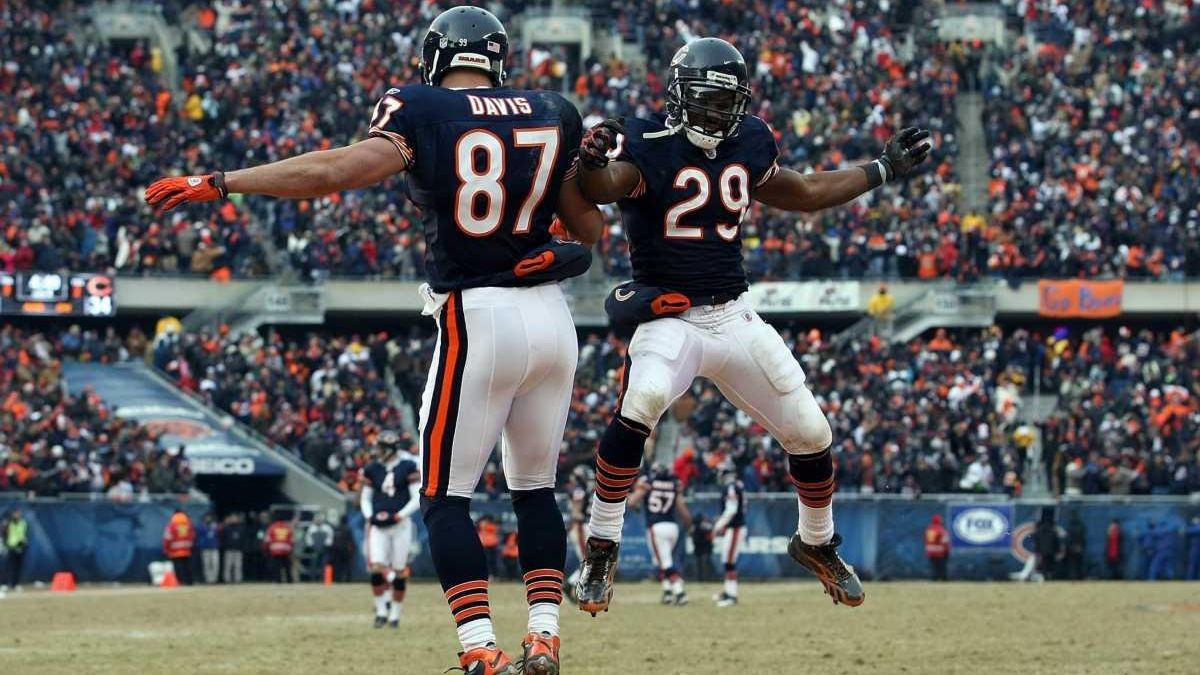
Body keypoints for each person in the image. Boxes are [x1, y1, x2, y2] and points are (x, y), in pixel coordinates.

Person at [145, 6, 604, 672]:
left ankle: (480, 647)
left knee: (447, 496)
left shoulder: (418, 106)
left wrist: (224, 182)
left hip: (479, 313)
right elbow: (587, 230)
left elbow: (338, 170)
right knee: (535, 489)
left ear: (435, 58)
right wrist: (578, 216)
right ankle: (543, 633)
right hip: (555, 322)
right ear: (498, 58)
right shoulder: (552, 108)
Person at [573, 37, 930, 613]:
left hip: (734, 313)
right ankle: (601, 545)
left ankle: (816, 542)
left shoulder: (750, 139)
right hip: (673, 315)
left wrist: (882, 168)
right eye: (709, 98)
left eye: (728, 99)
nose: (719, 111)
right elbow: (599, 188)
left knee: (812, 431)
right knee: (644, 396)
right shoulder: (648, 142)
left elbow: (806, 191)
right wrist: (590, 162)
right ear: (681, 94)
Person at [361, 431, 421, 627]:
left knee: (399, 570)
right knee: (376, 568)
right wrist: (370, 516)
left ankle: (395, 614)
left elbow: (416, 497)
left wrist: (399, 515)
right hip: (378, 526)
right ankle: (380, 611)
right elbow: (365, 498)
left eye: (381, 448)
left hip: (400, 525)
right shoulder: (372, 469)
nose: (378, 451)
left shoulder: (408, 467)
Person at [628, 463, 692, 606]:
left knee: (665, 562)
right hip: (672, 526)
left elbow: (631, 502)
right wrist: (689, 525)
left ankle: (679, 592)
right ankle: (668, 592)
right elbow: (683, 510)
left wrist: (638, 494)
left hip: (656, 526)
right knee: (661, 561)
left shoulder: (648, 483)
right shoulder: (674, 485)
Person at [711, 463, 746, 606]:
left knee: (729, 562)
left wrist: (718, 526)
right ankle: (728, 592)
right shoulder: (737, 485)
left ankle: (732, 595)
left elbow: (731, 510)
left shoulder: (731, 487)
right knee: (727, 560)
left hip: (735, 527)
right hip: (734, 527)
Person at [564, 466, 594, 599]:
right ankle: (573, 585)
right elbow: (576, 512)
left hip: (582, 527)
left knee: (590, 562)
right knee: (588, 562)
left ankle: (573, 585)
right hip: (580, 527)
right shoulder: (578, 490)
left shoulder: (580, 490)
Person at [162, 509, 196, 586]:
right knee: (187, 566)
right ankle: (190, 581)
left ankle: (180, 581)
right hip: (187, 549)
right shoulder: (189, 524)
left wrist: (166, 549)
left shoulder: (171, 525)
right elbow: (193, 536)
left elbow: (167, 538)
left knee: (178, 567)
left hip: (175, 550)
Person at [2, 509, 29, 590]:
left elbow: (25, 534)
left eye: (18, 514)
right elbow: (4, 534)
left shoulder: (23, 523)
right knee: (8, 567)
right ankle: (5, 584)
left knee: (18, 567)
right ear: (12, 514)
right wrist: (6, 544)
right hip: (11, 547)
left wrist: (23, 544)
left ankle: (16, 584)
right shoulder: (8, 523)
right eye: (15, 513)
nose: (17, 515)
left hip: (20, 547)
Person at [264, 515, 295, 583]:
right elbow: (292, 540)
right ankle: (289, 580)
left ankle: (278, 580)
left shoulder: (272, 527)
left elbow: (267, 540)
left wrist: (266, 549)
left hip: (275, 550)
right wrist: (291, 548)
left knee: (277, 567)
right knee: (287, 567)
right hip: (286, 550)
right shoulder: (287, 527)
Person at [306, 512, 335, 582]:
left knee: (324, 565)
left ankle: (323, 579)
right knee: (313, 565)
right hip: (315, 549)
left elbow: (330, 537)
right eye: (316, 519)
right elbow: (308, 538)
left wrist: (326, 545)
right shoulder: (311, 528)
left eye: (319, 519)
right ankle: (313, 580)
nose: (317, 521)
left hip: (325, 549)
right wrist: (312, 546)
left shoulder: (327, 528)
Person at [924, 514, 950, 581]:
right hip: (940, 551)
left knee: (934, 566)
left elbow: (925, 540)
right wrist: (947, 550)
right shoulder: (941, 530)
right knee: (942, 566)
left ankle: (934, 578)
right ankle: (944, 579)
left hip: (930, 551)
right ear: (939, 521)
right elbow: (945, 541)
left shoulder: (928, 529)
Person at [221, 513, 245, 584]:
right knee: (228, 566)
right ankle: (227, 580)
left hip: (238, 549)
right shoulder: (226, 528)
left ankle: (238, 580)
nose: (233, 519)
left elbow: (243, 539)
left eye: (235, 518)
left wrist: (242, 547)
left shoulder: (241, 528)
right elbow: (222, 537)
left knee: (238, 566)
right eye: (232, 518)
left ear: (237, 519)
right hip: (228, 549)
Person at [691, 514, 715, 582]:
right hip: (698, 548)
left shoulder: (706, 526)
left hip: (705, 548)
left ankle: (705, 579)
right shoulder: (694, 527)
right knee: (698, 564)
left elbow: (710, 531)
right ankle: (699, 579)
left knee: (704, 564)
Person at [197, 513, 220, 584]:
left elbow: (219, 534)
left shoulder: (215, 526)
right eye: (207, 518)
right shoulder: (201, 526)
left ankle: (214, 579)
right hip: (205, 548)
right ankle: (208, 580)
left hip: (214, 547)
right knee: (207, 564)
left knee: (215, 564)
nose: (208, 519)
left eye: (209, 517)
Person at [478, 515, 502, 580]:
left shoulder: (493, 525)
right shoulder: (483, 524)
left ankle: (495, 575)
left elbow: (497, 529)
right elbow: (482, 526)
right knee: (487, 561)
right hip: (485, 545)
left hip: (493, 545)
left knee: (494, 561)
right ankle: (489, 575)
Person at [1063, 512, 1086, 580]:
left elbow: (1068, 539)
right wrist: (1082, 547)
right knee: (1079, 564)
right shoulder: (1081, 526)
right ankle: (1080, 577)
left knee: (1072, 565)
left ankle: (1073, 577)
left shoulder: (1069, 527)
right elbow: (1083, 538)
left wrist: (1068, 548)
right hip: (1080, 547)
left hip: (1071, 548)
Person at [1185, 516, 1200, 581]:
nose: (1195, 520)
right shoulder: (1191, 527)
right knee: (1192, 564)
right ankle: (1189, 579)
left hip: (1196, 548)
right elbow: (1188, 530)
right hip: (1195, 548)